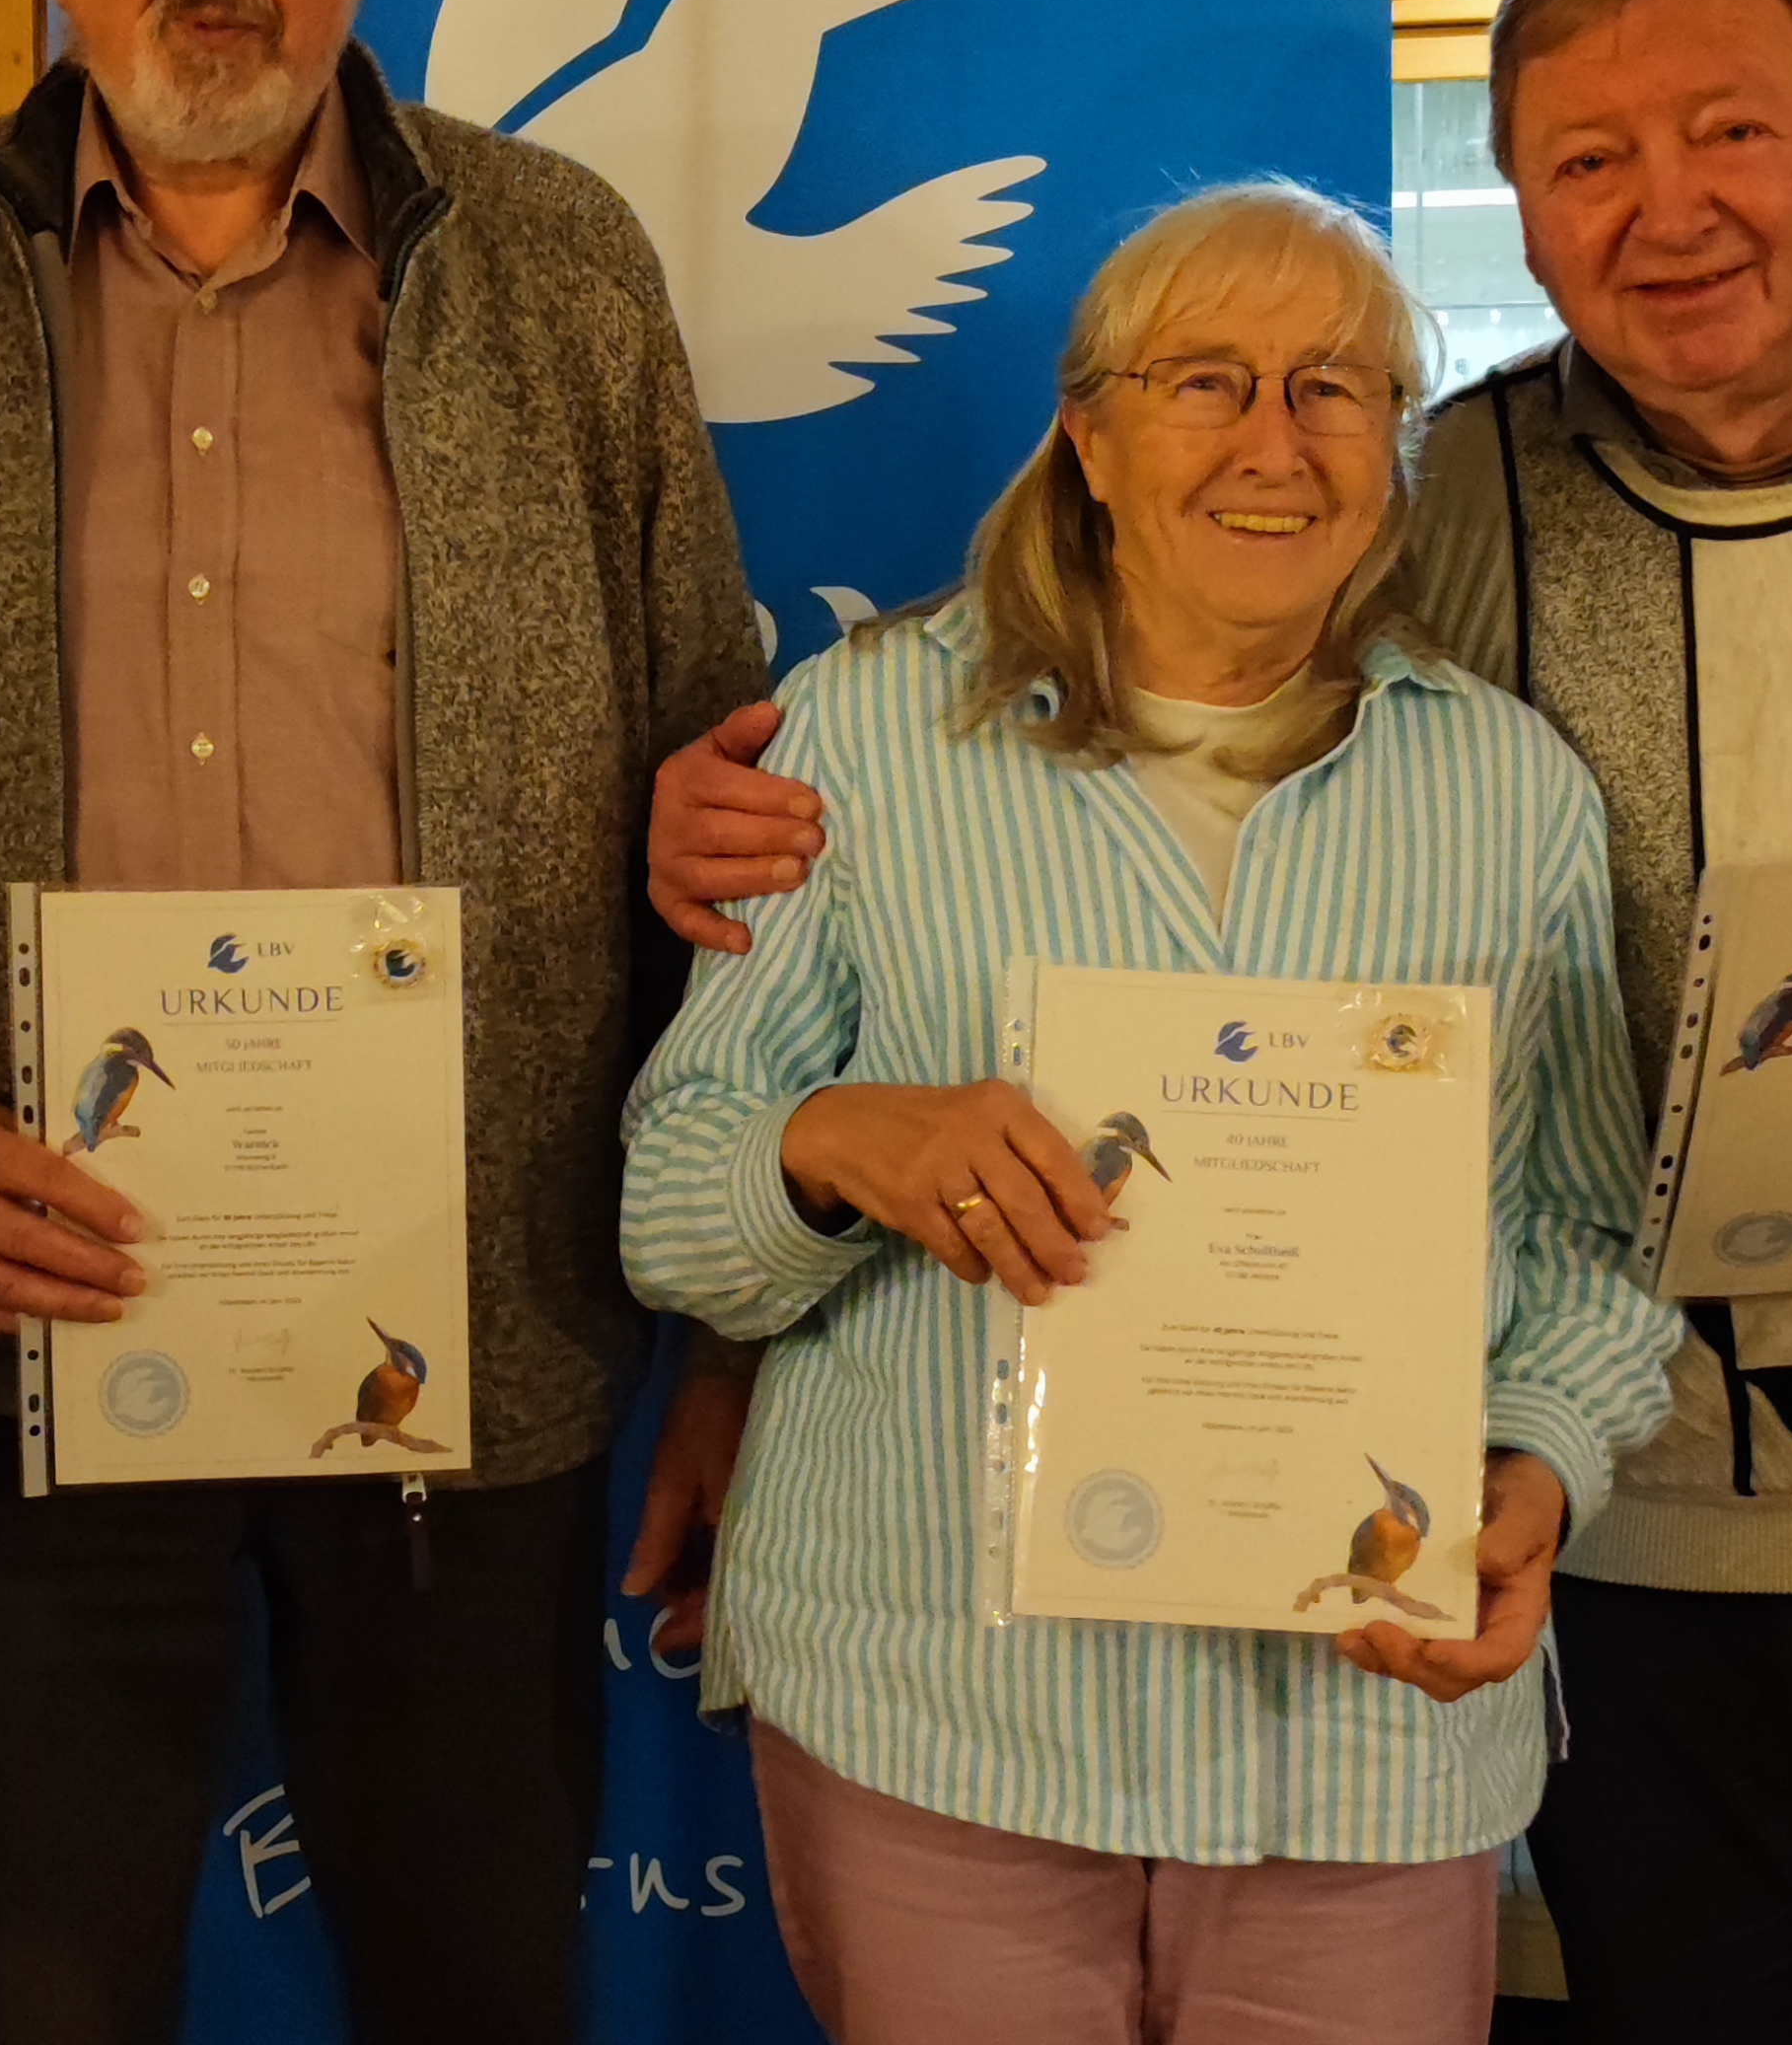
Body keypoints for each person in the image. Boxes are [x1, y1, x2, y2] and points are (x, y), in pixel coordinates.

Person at [655, 0, 1792, 2042]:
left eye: (1726, 131)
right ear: (1524, 222)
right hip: (1623, 1561)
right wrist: (719, 841)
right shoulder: (1429, 514)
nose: (1668, 211)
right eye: (1584, 161)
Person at [0, 0, 766, 2045]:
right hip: (24, 1361)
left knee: (473, 1989)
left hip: (473, 1339)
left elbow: (724, 789)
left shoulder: (559, 272)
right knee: (23, 2003)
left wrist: (725, 1314)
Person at [613, 183, 1682, 2044]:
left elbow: (1588, 1242)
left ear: (1394, 450)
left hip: (1358, 1740)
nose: (1276, 441)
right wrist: (839, 1143)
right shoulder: (864, 737)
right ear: (1090, 436)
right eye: (1208, 381)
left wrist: (1537, 1475)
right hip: (941, 1710)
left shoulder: (1509, 794)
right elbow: (673, 1200)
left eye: (1337, 388)